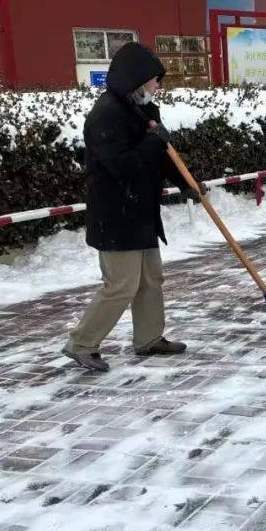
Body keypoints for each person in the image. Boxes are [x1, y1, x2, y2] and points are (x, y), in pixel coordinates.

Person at [62, 42, 192, 372]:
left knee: (151, 278)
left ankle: (149, 339)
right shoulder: (106, 115)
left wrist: (186, 183)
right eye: (155, 79)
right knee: (121, 285)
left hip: (141, 213)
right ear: (137, 79)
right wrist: (153, 141)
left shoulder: (143, 110)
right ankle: (81, 343)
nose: (158, 86)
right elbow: (122, 165)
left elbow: (159, 157)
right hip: (116, 216)